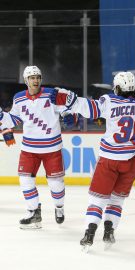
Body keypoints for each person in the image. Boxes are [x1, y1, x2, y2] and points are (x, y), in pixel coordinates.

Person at [49, 71, 135, 250]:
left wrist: (68, 99)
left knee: (97, 201)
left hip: (108, 160)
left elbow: (89, 108)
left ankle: (89, 234)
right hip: (131, 162)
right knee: (116, 201)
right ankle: (109, 231)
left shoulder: (110, 101)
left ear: (118, 87)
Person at [0, 65, 76, 229]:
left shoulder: (51, 94)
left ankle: (59, 208)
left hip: (52, 149)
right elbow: (14, 120)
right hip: (29, 149)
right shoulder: (19, 98)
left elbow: (65, 108)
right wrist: (2, 116)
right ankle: (34, 212)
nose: (35, 80)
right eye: (32, 77)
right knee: (25, 181)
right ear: (26, 80)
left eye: (38, 77)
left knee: (56, 184)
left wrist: (68, 115)